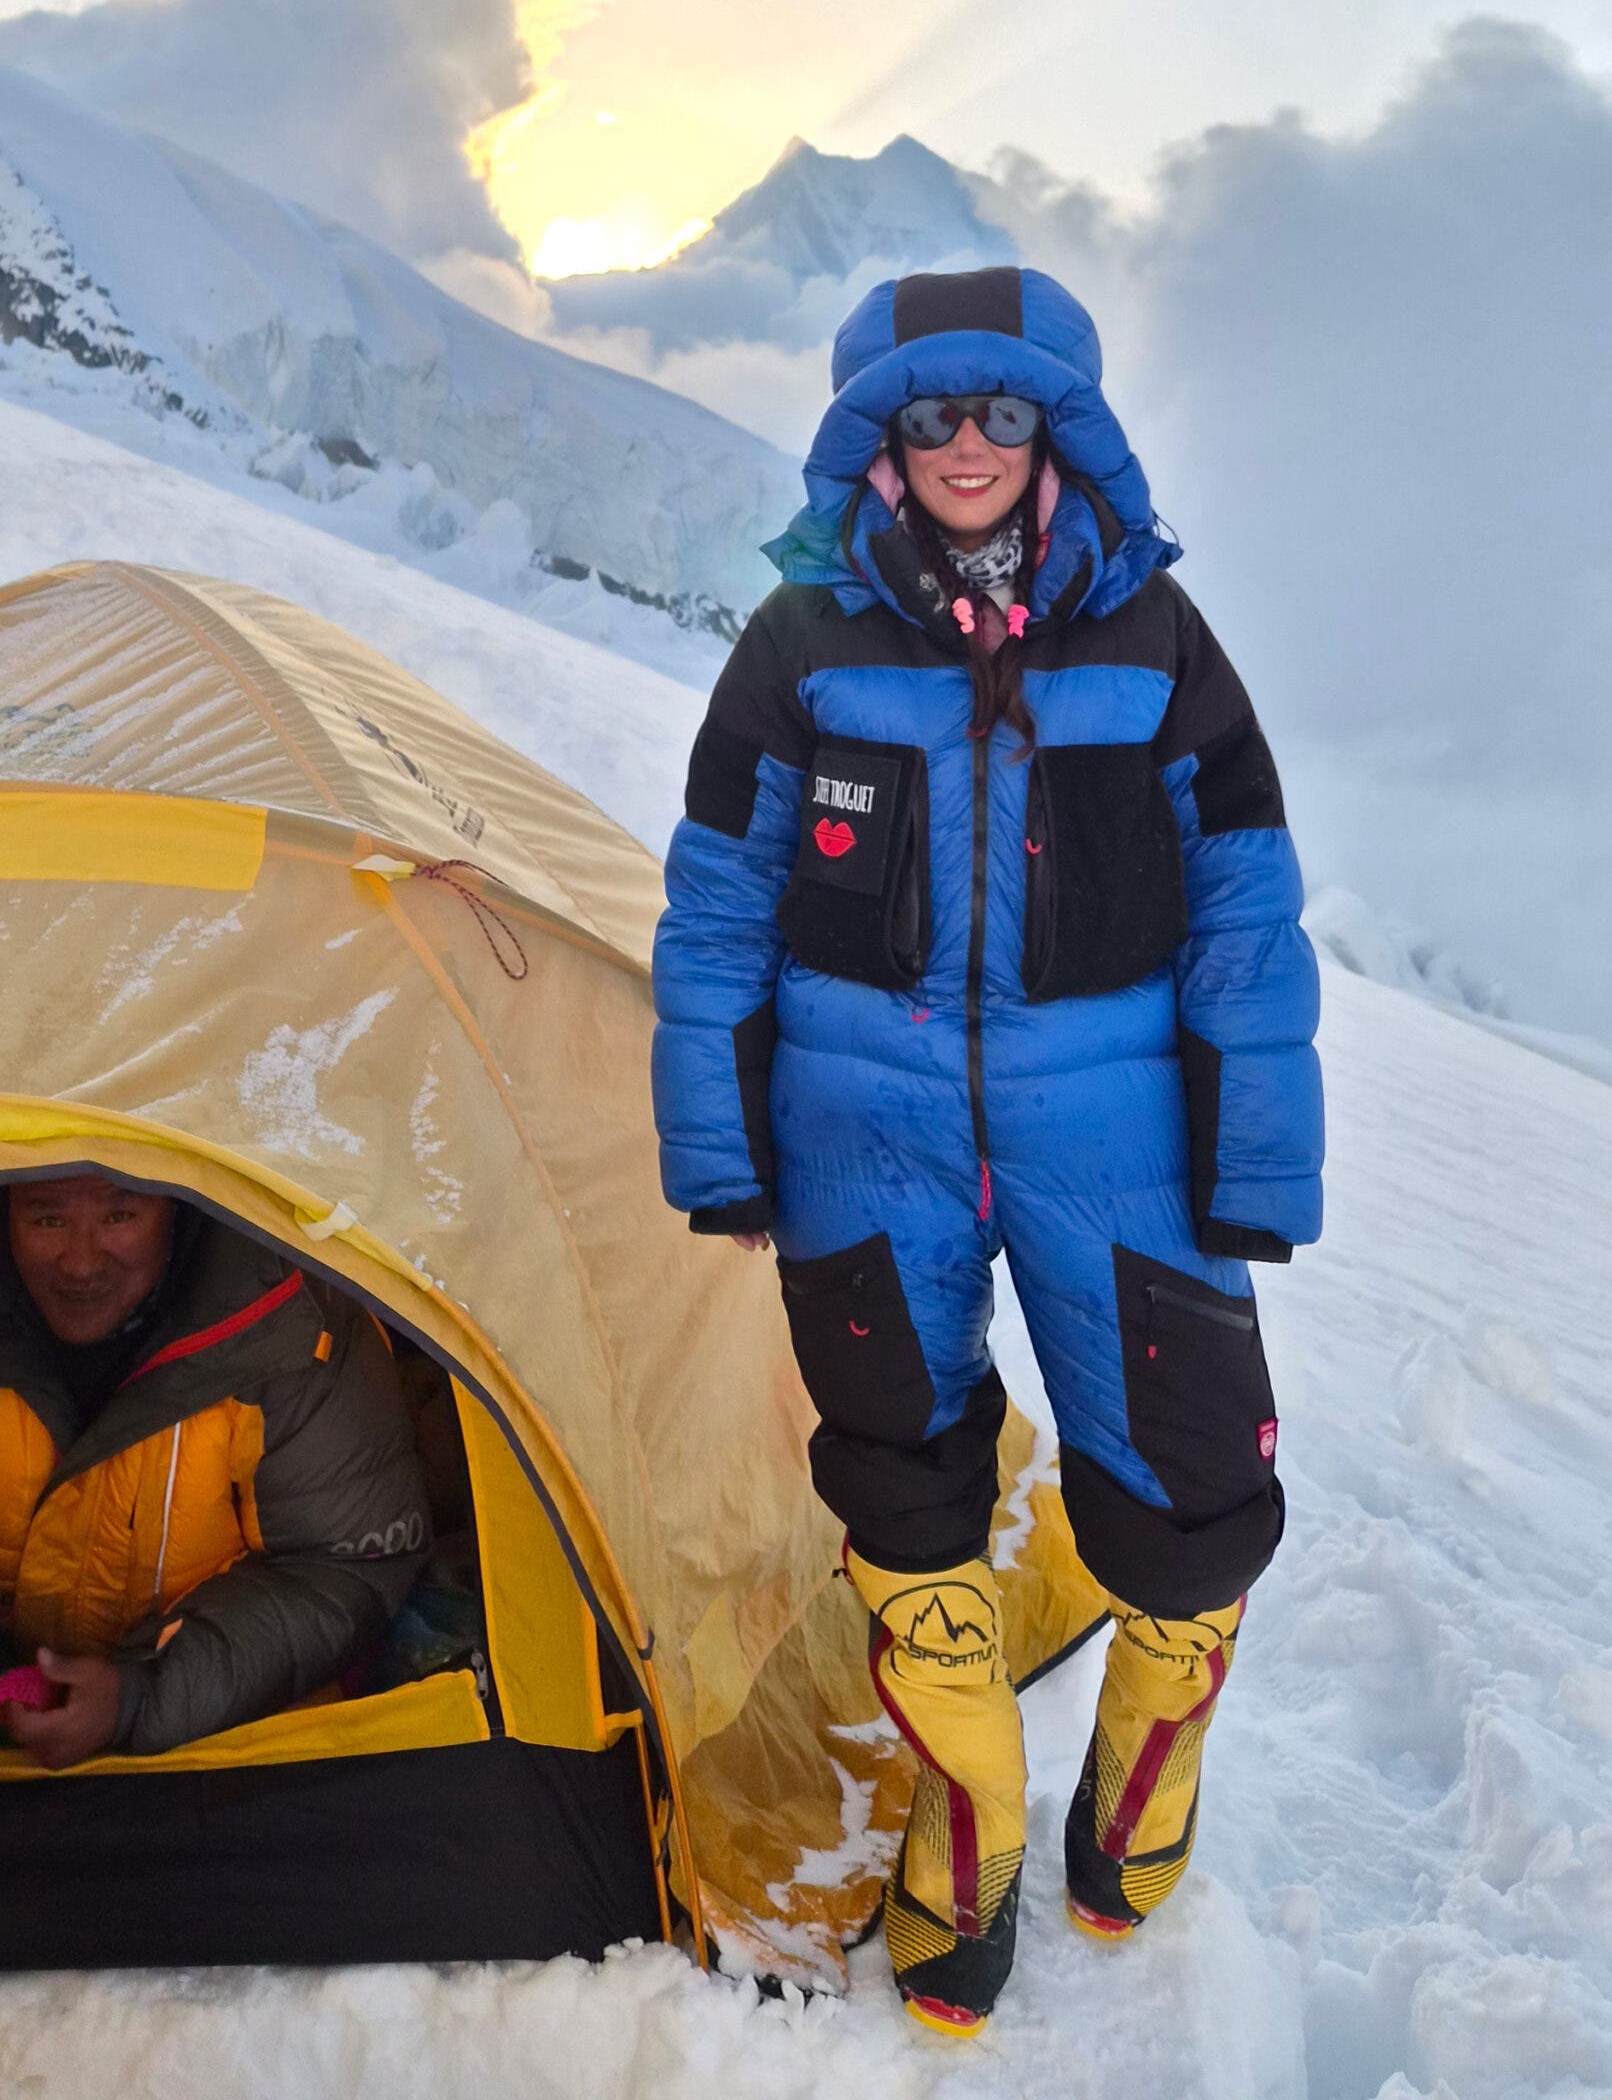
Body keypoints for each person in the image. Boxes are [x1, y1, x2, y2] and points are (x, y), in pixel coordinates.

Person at [652, 266, 1321, 2035]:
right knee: (909, 1493)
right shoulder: (801, 644)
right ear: (880, 435)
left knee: (1193, 1511)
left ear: (1055, 436)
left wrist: (1257, 1158)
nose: (965, 446)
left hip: (1124, 1155)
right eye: (932, 415)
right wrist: (719, 1143)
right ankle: (970, 1830)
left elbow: (1248, 910)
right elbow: (719, 899)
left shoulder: (1158, 642)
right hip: (858, 1144)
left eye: (1003, 414)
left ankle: (1143, 1776)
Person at [0, 1175, 430, 1767]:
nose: (82, 1263)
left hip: (229, 1750)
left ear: (177, 1206)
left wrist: (142, 1695)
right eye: (47, 1220)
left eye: (120, 1217)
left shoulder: (292, 1326)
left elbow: (344, 1565)